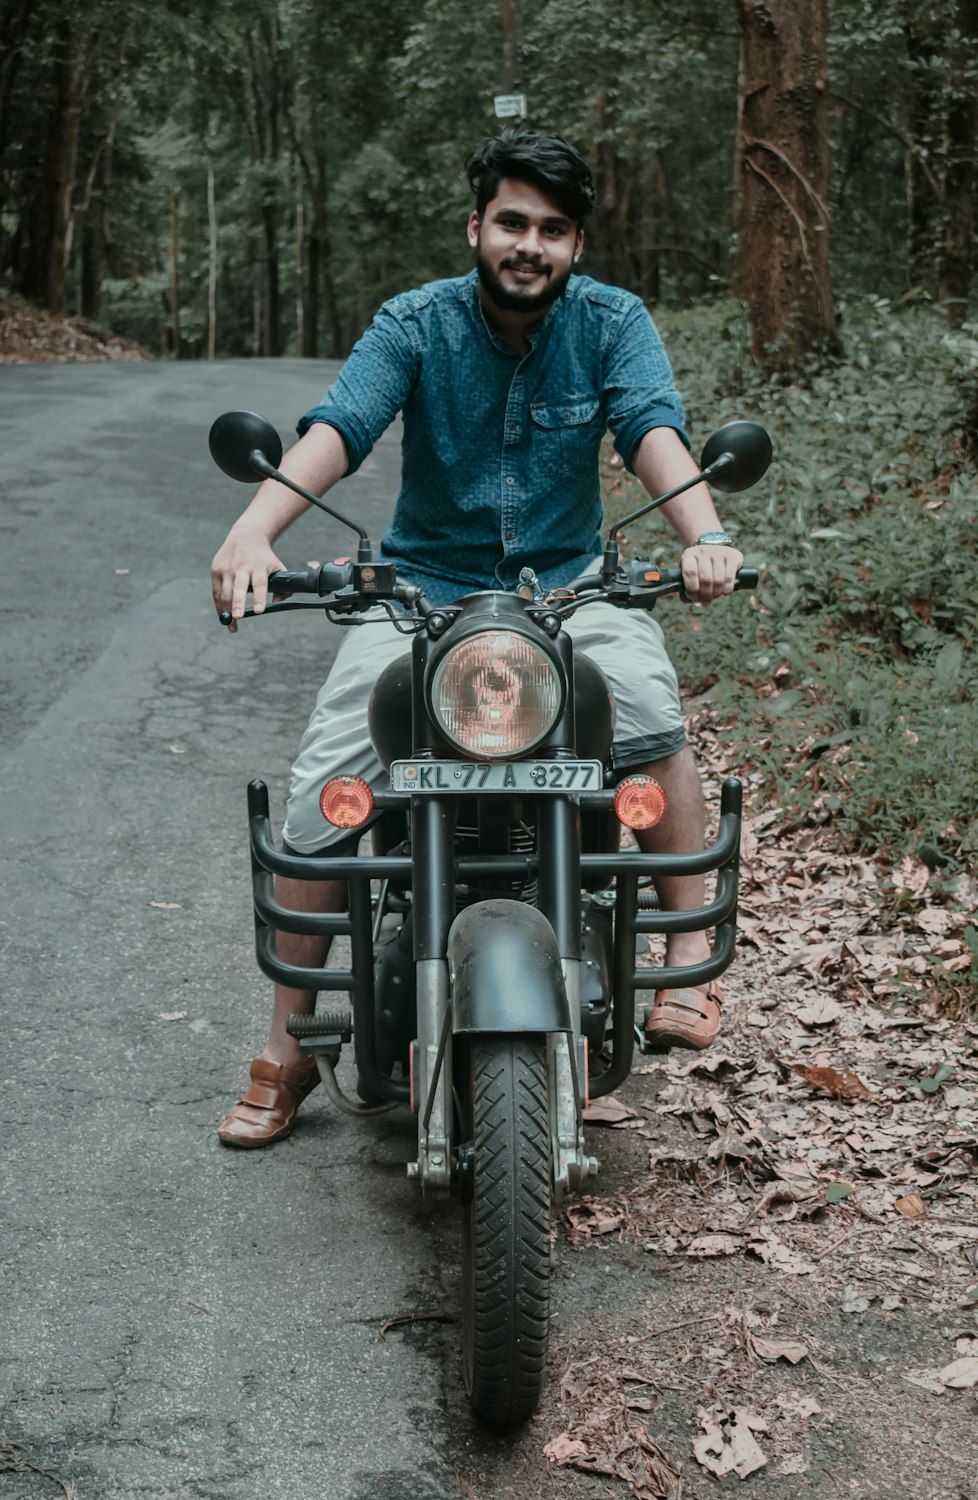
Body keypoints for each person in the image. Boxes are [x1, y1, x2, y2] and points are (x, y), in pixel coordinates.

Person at [213, 128, 744, 1148]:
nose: (529, 244)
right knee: (329, 774)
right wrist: (253, 529)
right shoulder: (415, 323)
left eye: (551, 229)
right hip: (421, 591)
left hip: (572, 590)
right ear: (476, 227)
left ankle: (684, 962)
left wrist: (705, 537)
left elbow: (651, 432)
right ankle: (285, 1050)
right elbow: (341, 426)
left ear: (575, 244)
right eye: (512, 222)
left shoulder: (611, 323)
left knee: (647, 709)